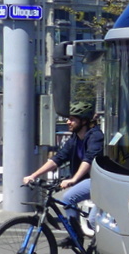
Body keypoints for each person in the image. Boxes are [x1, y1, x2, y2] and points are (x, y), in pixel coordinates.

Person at [22, 102, 103, 243]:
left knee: (90, 217)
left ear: (84, 121)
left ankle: (100, 247)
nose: (68, 122)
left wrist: (73, 179)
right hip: (89, 181)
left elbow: (89, 159)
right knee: (74, 205)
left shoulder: (96, 136)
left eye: (72, 119)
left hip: (101, 182)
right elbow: (58, 158)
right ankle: (77, 236)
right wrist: (33, 175)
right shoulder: (75, 138)